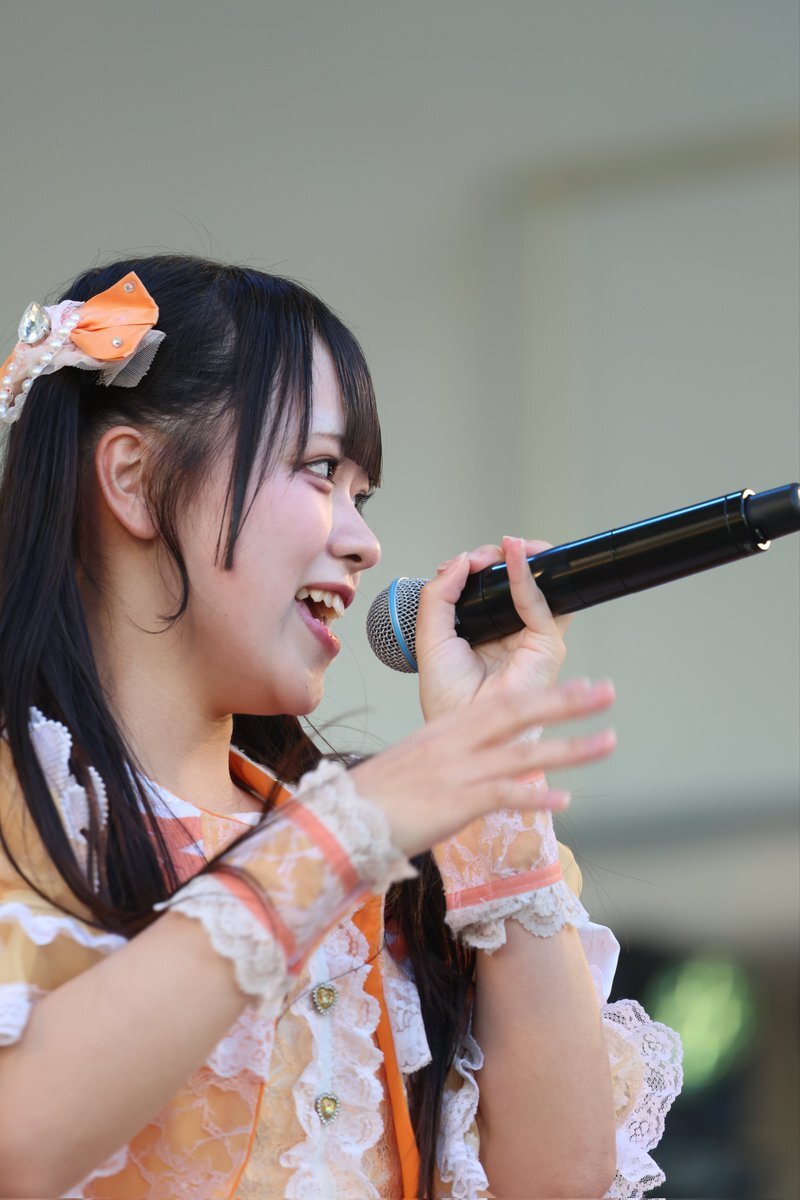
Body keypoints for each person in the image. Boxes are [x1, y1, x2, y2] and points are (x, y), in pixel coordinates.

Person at [0, 255, 681, 1199]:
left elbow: (558, 1180)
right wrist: (339, 835)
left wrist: (496, 790)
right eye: (320, 470)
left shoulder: (387, 861)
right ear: (134, 477)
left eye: (362, 496)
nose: (362, 542)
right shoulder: (28, 811)